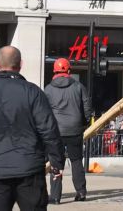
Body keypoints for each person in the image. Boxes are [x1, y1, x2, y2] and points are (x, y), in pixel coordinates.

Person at [0, 46, 65, 210]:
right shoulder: (32, 92)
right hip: (29, 168)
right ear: (20, 64)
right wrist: (56, 162)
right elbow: (49, 130)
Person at [44, 57, 93, 204]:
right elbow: (87, 108)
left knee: (55, 164)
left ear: (54, 71)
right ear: (69, 70)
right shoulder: (78, 87)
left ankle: (55, 196)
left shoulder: (48, 89)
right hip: (74, 129)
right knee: (76, 161)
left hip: (55, 132)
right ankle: (81, 192)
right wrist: (83, 124)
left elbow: (44, 112)